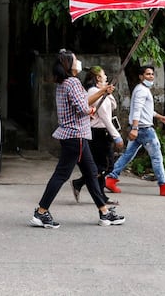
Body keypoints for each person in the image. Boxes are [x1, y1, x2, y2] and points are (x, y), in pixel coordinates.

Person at [30, 50, 126, 229]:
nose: (78, 62)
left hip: (75, 135)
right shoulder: (73, 82)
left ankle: (104, 212)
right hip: (76, 137)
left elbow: (81, 103)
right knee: (62, 174)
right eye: (75, 60)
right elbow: (83, 107)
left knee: (90, 174)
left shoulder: (64, 83)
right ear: (69, 65)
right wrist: (90, 111)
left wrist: (103, 91)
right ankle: (41, 212)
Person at [105, 65, 165, 197]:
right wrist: (135, 128)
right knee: (157, 157)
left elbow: (145, 110)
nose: (151, 76)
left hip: (140, 129)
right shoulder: (142, 90)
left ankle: (111, 178)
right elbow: (137, 110)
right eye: (147, 74)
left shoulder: (141, 89)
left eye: (152, 74)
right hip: (144, 130)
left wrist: (159, 117)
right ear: (141, 76)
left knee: (127, 155)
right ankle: (164, 185)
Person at [71, 66, 123, 205]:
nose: (106, 77)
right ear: (98, 78)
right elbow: (105, 116)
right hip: (99, 133)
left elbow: (113, 106)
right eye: (104, 75)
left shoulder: (98, 92)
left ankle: (100, 195)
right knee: (106, 166)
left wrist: (107, 92)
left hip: (99, 133)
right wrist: (116, 136)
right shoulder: (93, 92)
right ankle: (80, 183)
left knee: (101, 165)